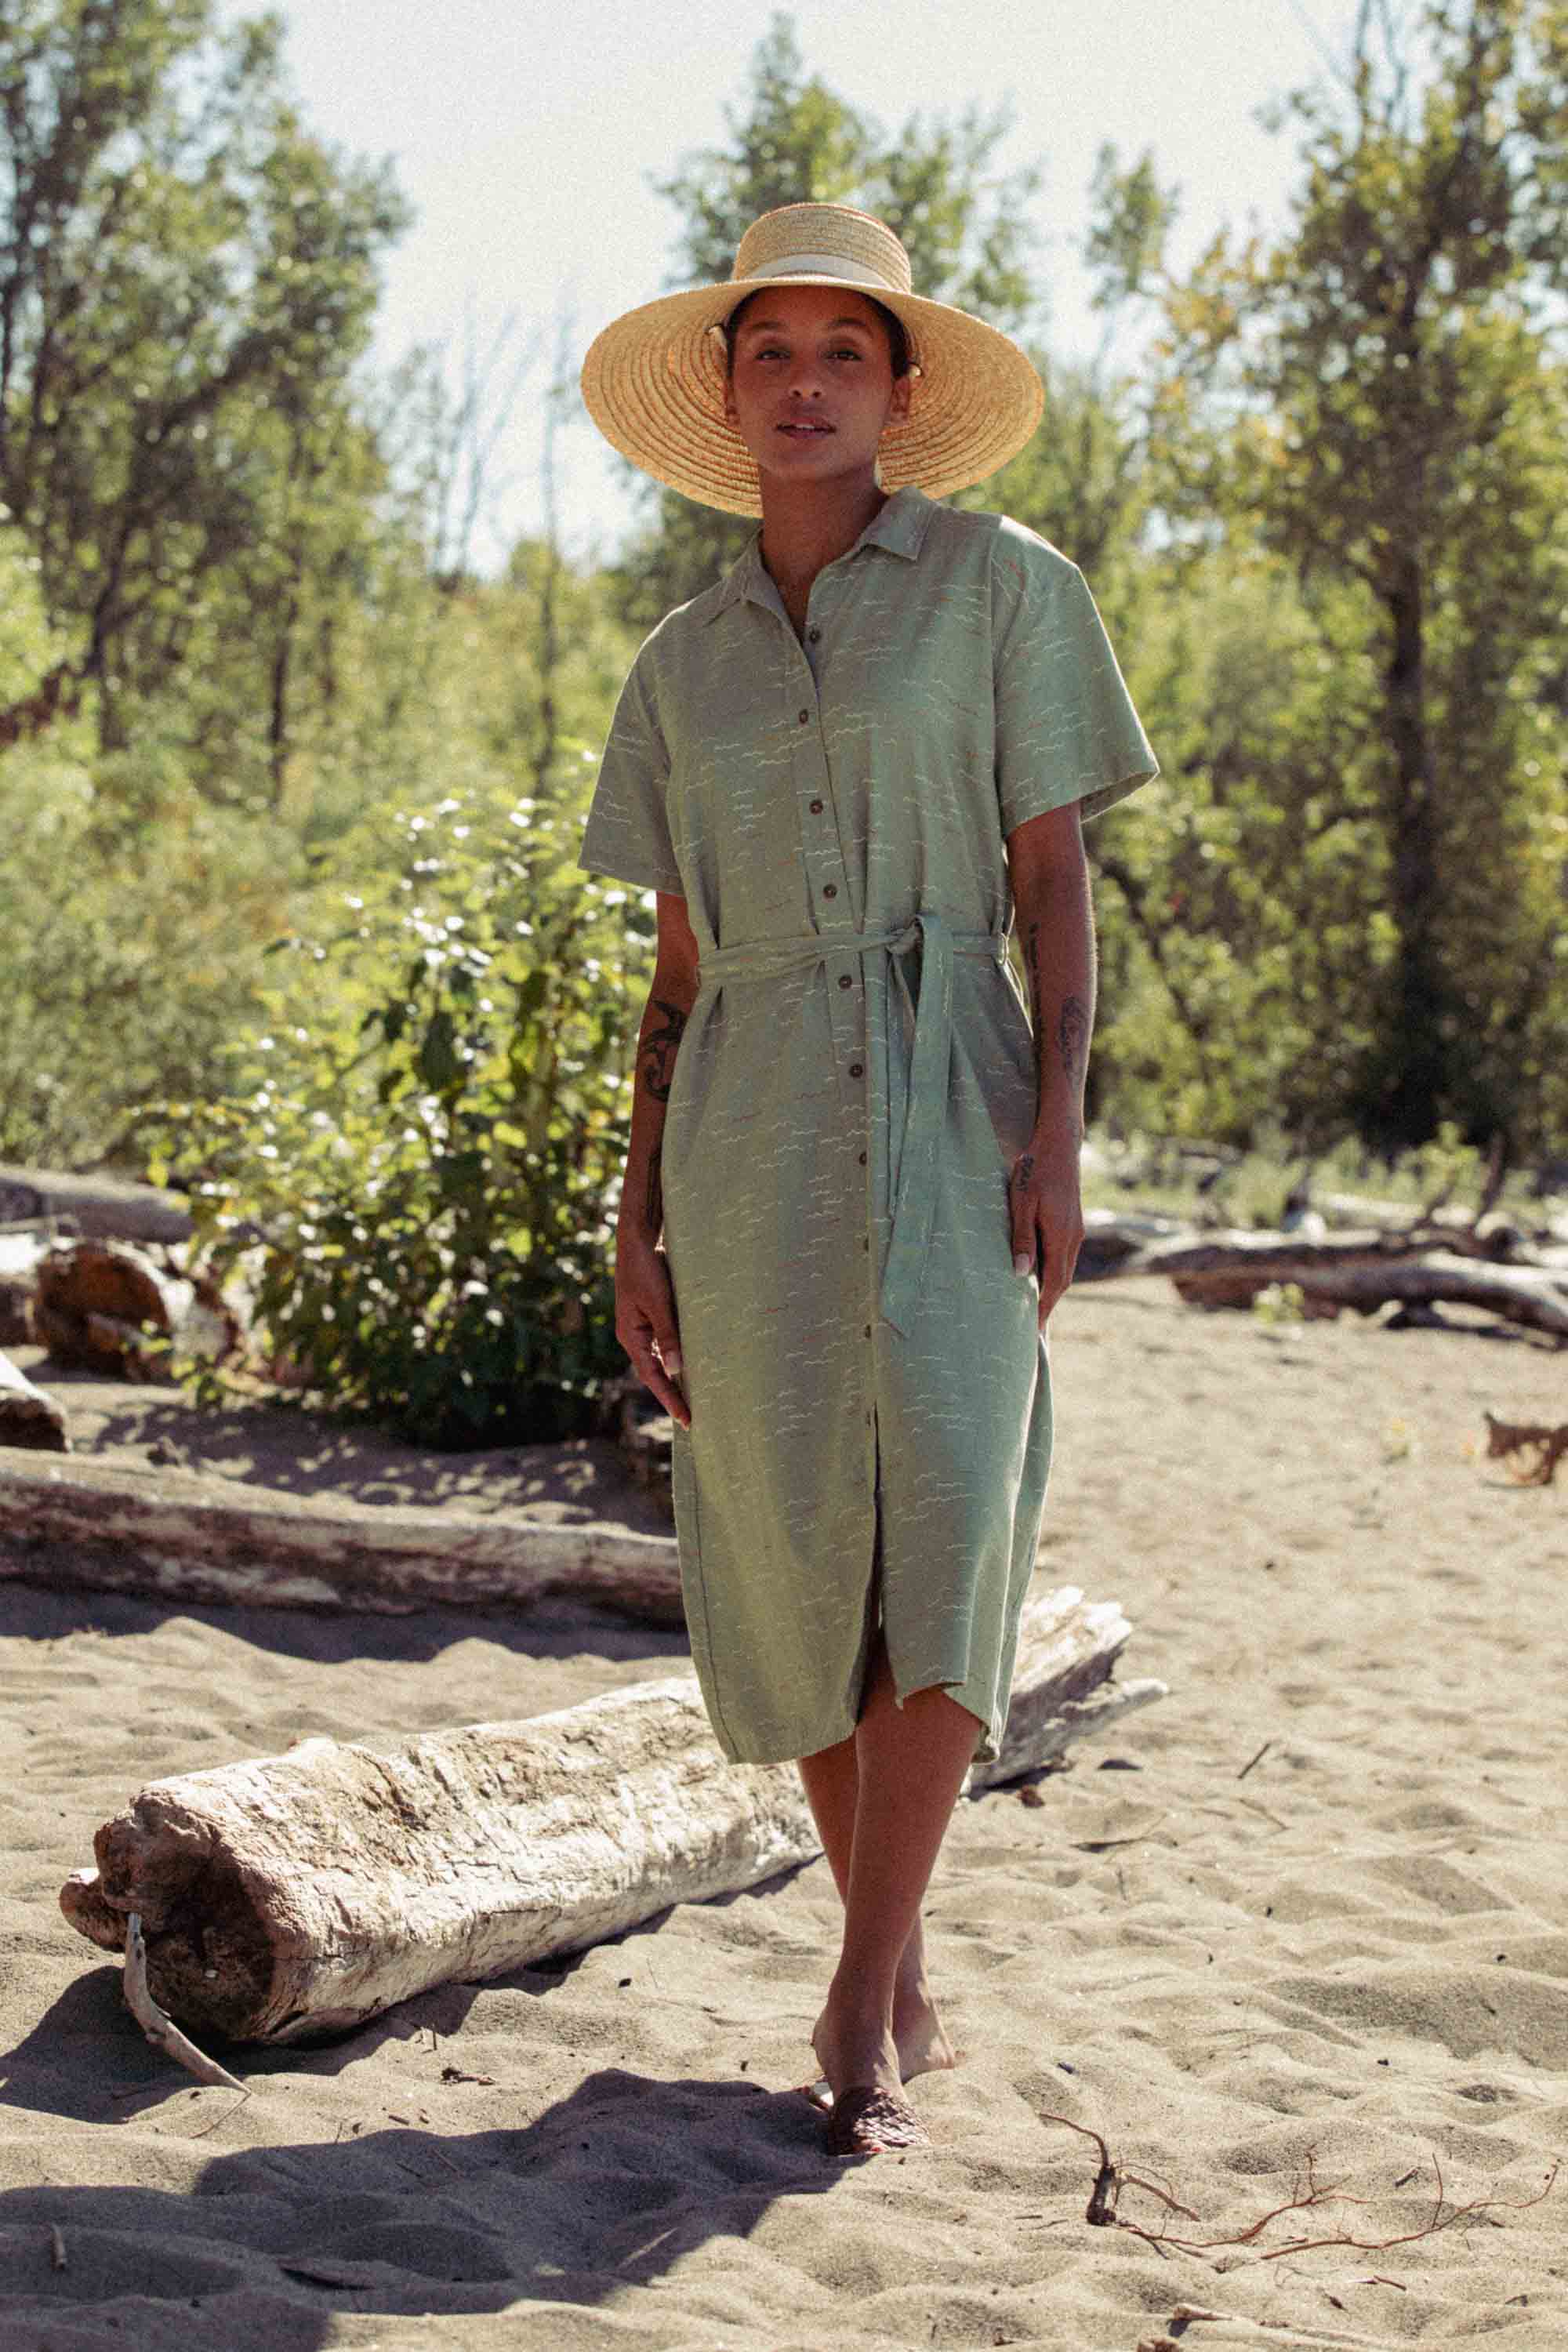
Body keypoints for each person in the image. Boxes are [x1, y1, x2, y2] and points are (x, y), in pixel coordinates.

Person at [577, 202, 1159, 2158]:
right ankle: (890, 1973)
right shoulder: (679, 664)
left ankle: (854, 1988)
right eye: (773, 350)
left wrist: (1055, 1130)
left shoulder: (1006, 590)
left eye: (846, 350)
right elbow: (675, 962)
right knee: (795, 1540)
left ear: (902, 391)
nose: (807, 382)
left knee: (958, 1526)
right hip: (741, 1124)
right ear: (729, 391)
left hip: (954, 1098)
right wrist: (634, 1210)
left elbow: (1051, 883)